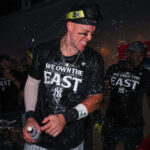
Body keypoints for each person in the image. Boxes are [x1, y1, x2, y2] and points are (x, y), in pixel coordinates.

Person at [23, 4, 104, 150]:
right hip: (39, 138)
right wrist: (30, 116)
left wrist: (65, 118)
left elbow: (96, 99)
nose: (90, 38)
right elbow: (32, 83)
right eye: (84, 33)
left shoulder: (94, 59)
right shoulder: (44, 50)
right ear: (70, 26)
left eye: (92, 33)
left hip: (72, 141)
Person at [101, 41, 150, 150]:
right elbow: (104, 92)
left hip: (133, 125)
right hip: (112, 123)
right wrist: (102, 112)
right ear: (129, 54)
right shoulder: (114, 69)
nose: (141, 60)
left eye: (143, 56)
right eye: (138, 56)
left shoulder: (145, 74)